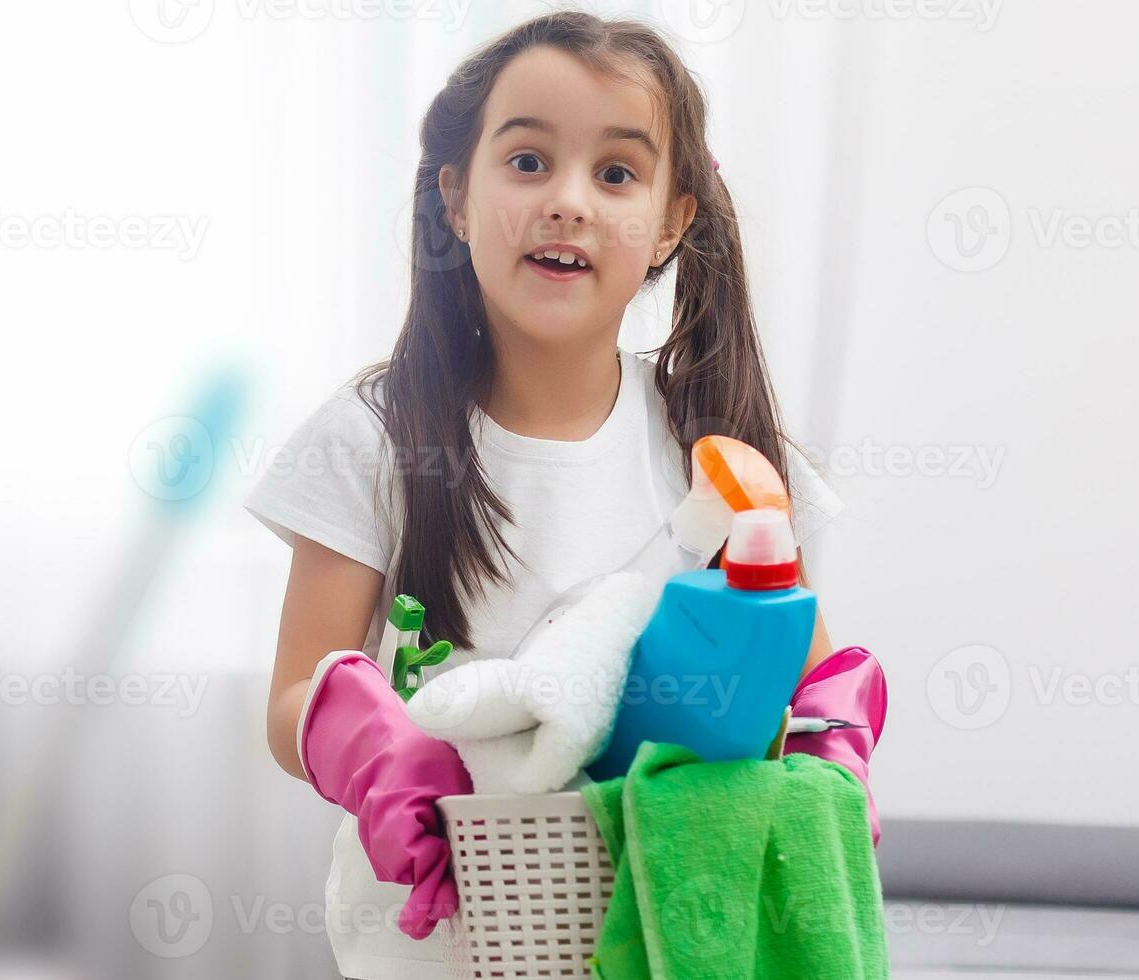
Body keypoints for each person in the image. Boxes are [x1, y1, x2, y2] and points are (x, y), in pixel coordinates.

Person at [246, 12, 854, 979]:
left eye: (616, 173)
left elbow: (805, 680)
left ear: (670, 224)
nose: (568, 201)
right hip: (432, 939)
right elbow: (291, 698)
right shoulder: (372, 434)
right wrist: (370, 746)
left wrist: (835, 754)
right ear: (454, 196)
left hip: (662, 932)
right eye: (527, 160)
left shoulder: (718, 454)